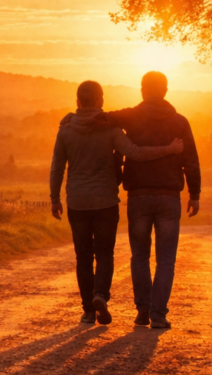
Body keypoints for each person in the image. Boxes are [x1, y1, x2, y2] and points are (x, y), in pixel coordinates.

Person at [49, 80, 183, 325]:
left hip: (77, 201)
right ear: (101, 100)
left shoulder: (66, 129)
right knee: (104, 253)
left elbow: (57, 168)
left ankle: (88, 310)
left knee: (83, 256)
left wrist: (54, 198)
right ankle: (100, 294)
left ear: (78, 101)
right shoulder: (110, 130)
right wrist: (169, 149)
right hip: (105, 201)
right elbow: (137, 153)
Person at [108, 71, 201, 329]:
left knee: (139, 256)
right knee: (166, 259)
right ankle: (158, 315)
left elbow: (102, 119)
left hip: (138, 195)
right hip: (169, 196)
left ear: (142, 90)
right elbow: (191, 160)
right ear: (166, 91)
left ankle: (143, 310)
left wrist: (73, 117)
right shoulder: (180, 121)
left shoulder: (129, 116)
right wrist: (194, 193)